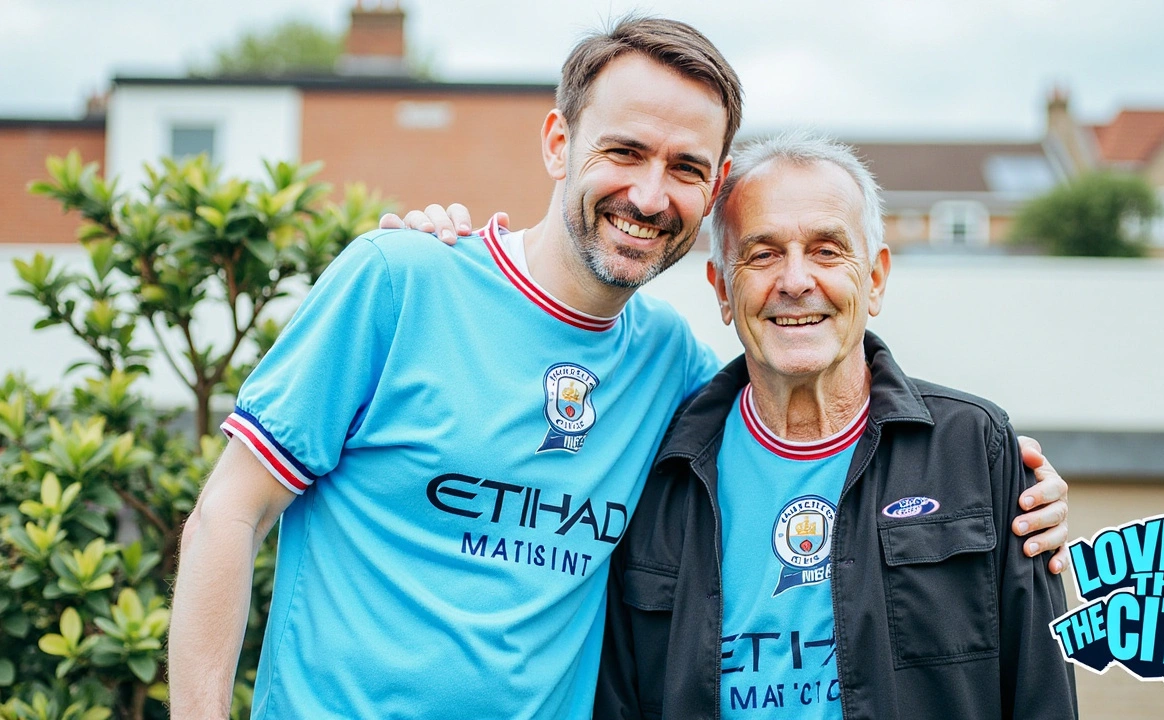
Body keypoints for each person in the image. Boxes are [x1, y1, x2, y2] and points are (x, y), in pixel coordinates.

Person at [169, 17, 1069, 719]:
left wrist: (1001, 477)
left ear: (712, 191)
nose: (649, 194)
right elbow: (227, 517)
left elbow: (813, 394)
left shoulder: (675, 377)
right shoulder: (398, 282)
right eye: (625, 151)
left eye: (685, 166)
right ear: (559, 144)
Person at [591, 132, 1077, 719]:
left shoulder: (976, 451)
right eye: (763, 254)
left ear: (874, 278)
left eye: (826, 250)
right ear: (722, 289)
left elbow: (1041, 694)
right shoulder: (657, 472)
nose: (795, 281)